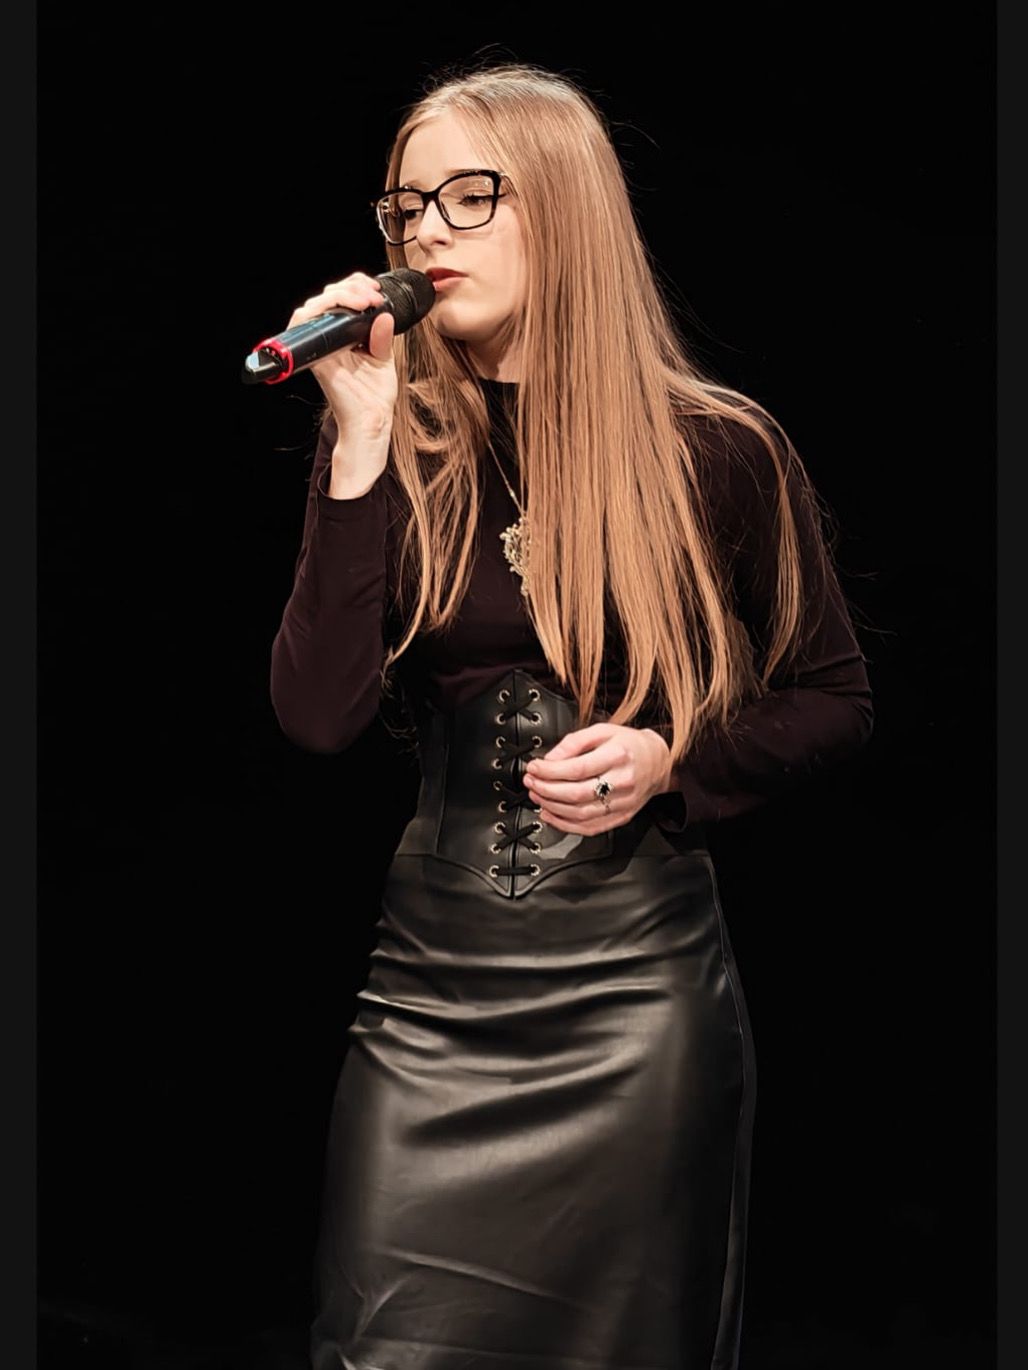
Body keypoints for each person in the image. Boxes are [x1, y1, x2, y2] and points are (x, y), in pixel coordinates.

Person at [268, 59, 873, 1370]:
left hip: (636, 1008)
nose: (425, 232)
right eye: (405, 206)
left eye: (467, 197)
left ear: (565, 207)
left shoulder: (719, 447)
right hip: (431, 1004)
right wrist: (358, 442)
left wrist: (670, 759)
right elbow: (317, 717)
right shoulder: (397, 444)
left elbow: (833, 699)